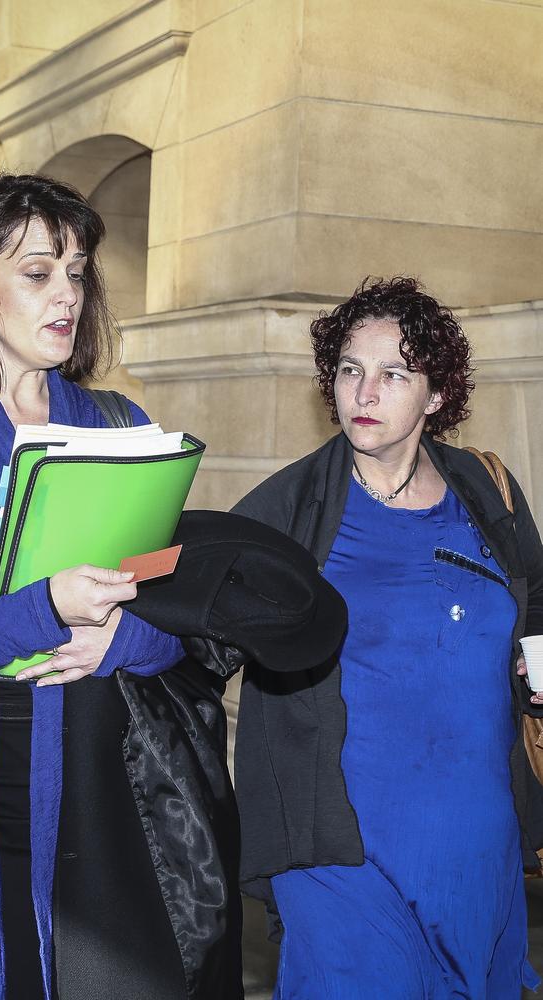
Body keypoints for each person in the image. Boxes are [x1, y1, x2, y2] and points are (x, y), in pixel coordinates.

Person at [0, 174, 242, 1000]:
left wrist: (124, 639)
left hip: (93, 804)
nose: (67, 296)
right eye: (38, 272)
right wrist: (39, 609)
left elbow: (176, 617)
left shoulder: (116, 425)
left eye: (78, 273)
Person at [222, 276, 543, 998]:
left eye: (393, 373)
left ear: (436, 396)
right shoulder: (293, 505)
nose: (363, 393)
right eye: (349, 370)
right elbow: (198, 610)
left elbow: (537, 601)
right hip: (340, 845)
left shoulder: (487, 490)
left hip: (473, 838)